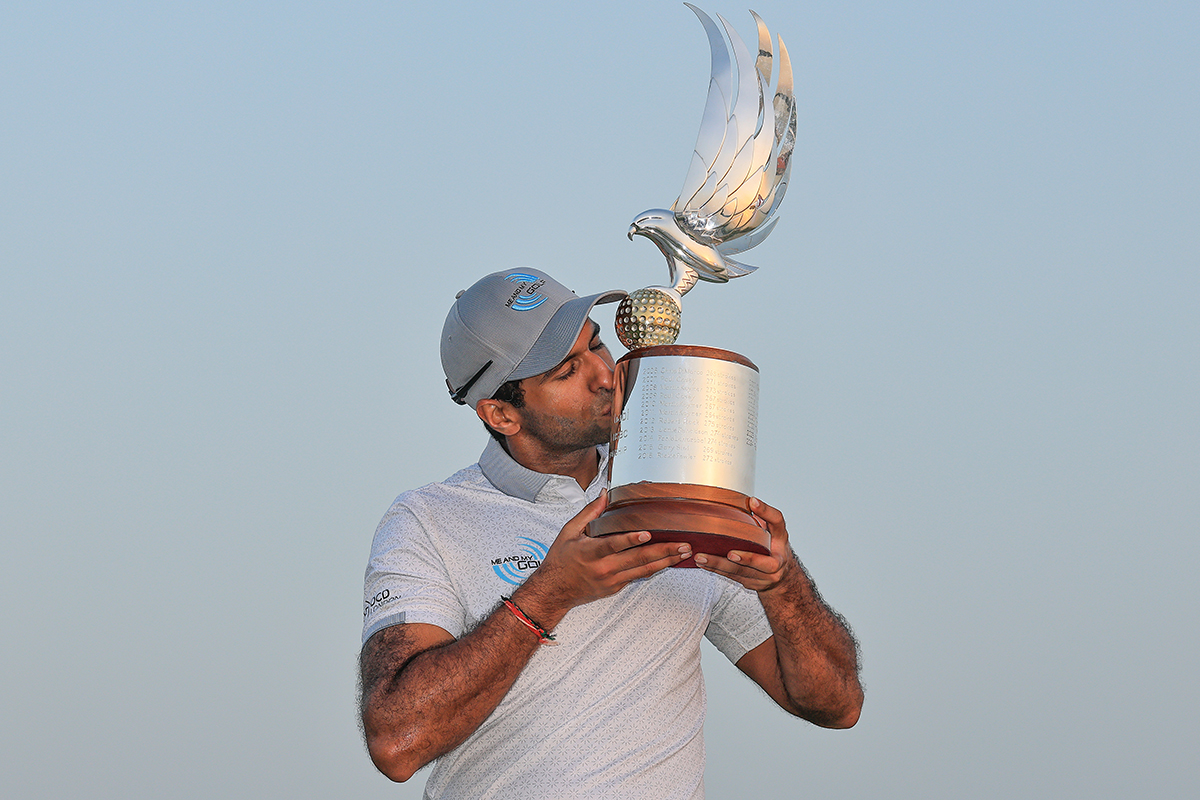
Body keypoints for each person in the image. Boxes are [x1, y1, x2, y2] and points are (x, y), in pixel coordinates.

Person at [359, 268, 863, 798]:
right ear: (502, 414)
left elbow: (837, 705)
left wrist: (784, 585)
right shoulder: (426, 520)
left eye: (595, 343)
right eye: (566, 370)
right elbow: (397, 742)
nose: (605, 374)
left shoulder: (678, 496)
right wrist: (552, 592)